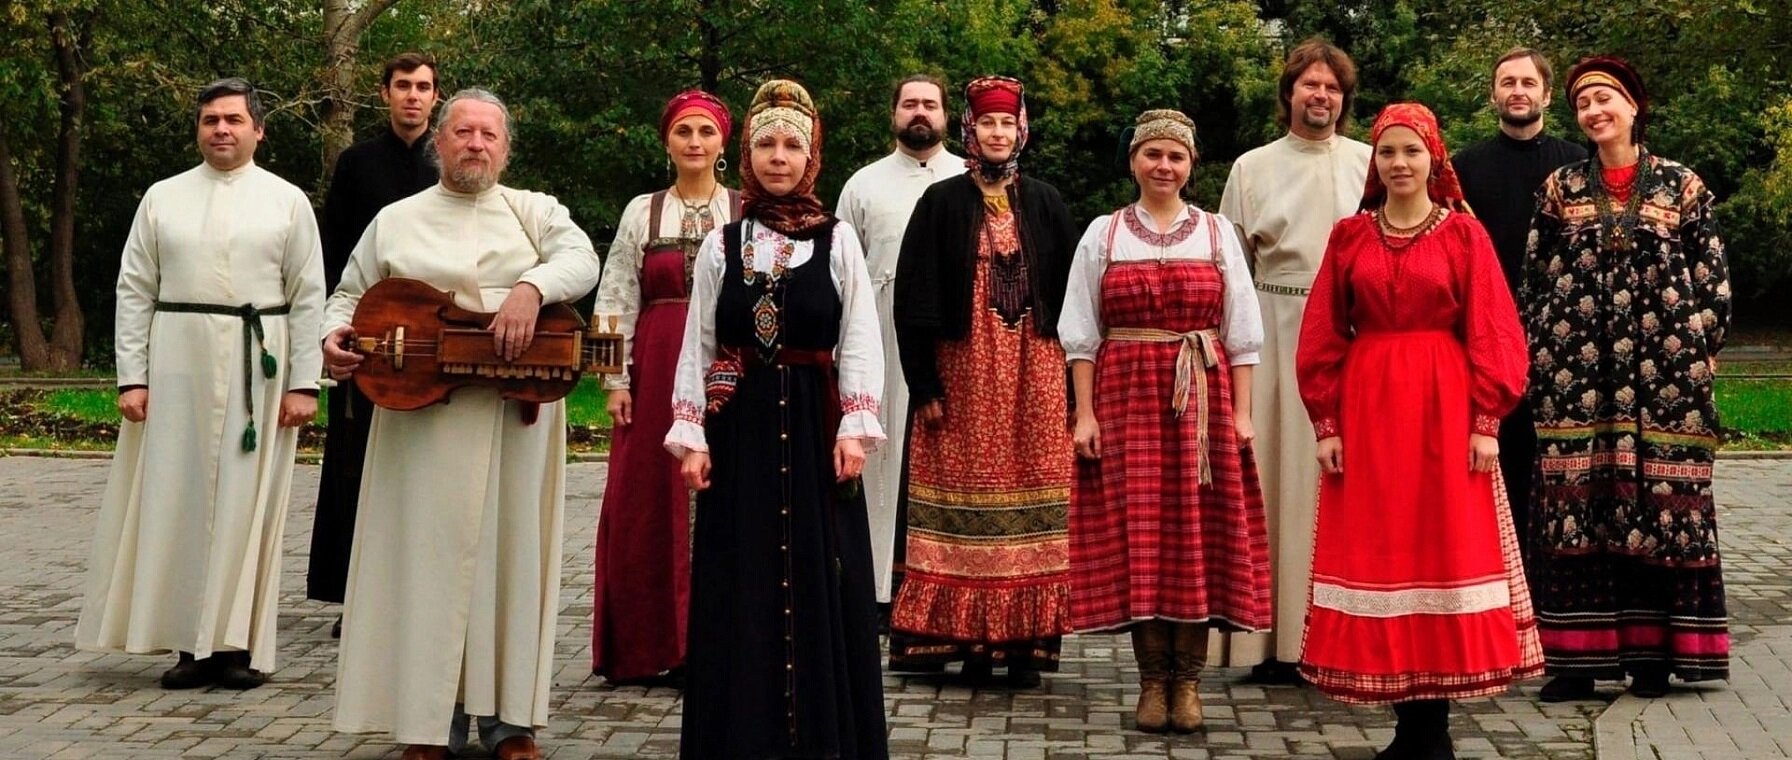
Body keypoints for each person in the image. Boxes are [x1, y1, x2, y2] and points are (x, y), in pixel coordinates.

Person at [320, 89, 602, 760]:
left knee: (511, 564)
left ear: (505, 149)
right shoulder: (395, 219)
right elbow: (348, 296)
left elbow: (582, 259)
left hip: (513, 419)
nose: (476, 144)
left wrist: (532, 289)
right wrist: (333, 336)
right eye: (463, 132)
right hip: (421, 421)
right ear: (438, 143)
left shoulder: (535, 211)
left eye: (489, 135)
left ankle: (509, 722)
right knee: (425, 567)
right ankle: (430, 723)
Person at [1296, 102, 1542, 760]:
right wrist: (1326, 422)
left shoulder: (1464, 235)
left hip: (1445, 408)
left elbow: (1494, 329)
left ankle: (1432, 732)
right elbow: (1322, 332)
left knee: (1442, 551)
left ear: (1435, 158)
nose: (1399, 163)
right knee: (1384, 553)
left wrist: (1487, 421)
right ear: (1374, 162)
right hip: (1369, 410)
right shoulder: (1350, 237)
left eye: (1411, 151)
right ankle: (1408, 728)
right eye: (1387, 152)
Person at [75, 77, 325, 690]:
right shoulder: (163, 198)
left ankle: (235, 645)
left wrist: (304, 383)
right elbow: (134, 289)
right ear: (198, 129)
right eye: (211, 120)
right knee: (177, 499)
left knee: (246, 503)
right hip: (178, 365)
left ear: (258, 129)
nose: (221, 129)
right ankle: (190, 643)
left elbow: (308, 295)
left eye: (234, 119)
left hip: (257, 368)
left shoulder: (288, 201)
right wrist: (132, 378)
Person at [666, 78, 889, 760]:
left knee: (827, 577)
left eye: (793, 146)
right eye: (767, 145)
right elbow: (699, 342)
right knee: (742, 580)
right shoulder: (722, 244)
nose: (779, 158)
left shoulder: (838, 240)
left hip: (819, 429)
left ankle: (823, 739)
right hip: (742, 433)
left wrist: (855, 427)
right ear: (748, 156)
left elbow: (859, 336)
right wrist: (692, 436)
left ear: (811, 155)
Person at [1523, 56, 1731, 703]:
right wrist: (1541, 354)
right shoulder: (1560, 188)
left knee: (1660, 505)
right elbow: (1534, 281)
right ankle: (1576, 663)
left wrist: (1698, 352)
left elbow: (1713, 282)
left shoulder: (1681, 186)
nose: (1594, 111)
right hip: (1575, 383)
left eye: (1605, 98)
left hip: (1664, 385)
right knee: (1576, 508)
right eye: (1583, 103)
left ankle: (1653, 660)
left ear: (1634, 106)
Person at [1060, 109, 1272, 733]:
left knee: (1196, 539)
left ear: (1191, 165)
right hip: (1125, 398)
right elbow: (1081, 333)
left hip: (1203, 400)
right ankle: (1152, 681)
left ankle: (1189, 683)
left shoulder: (1215, 233)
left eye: (1176, 156)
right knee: (1142, 539)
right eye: (1152, 154)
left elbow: (1243, 333)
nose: (1164, 166)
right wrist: (1085, 414)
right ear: (1133, 161)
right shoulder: (1103, 234)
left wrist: (1243, 415)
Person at [889, 75, 1078, 688]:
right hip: (962, 373)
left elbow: (1075, 299)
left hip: (1036, 376)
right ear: (971, 129)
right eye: (988, 123)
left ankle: (1023, 645)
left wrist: (1076, 390)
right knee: (958, 500)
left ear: (1021, 130)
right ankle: (965, 639)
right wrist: (924, 386)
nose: (998, 133)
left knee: (1037, 499)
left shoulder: (1046, 202)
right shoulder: (940, 203)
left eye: (1007, 123)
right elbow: (912, 299)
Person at [1216, 37, 1372, 684]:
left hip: (1355, 337)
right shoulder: (1251, 168)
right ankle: (1272, 642)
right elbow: (1230, 270)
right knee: (1275, 483)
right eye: (1310, 84)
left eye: (1332, 87)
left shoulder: (1371, 162)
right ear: (1289, 93)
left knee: (1344, 487)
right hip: (1275, 331)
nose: (1321, 96)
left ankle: (1342, 634)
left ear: (1344, 98)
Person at [589, 88, 739, 687]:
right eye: (684, 132)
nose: (695, 142)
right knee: (646, 502)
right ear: (667, 142)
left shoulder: (744, 208)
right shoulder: (643, 212)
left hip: (728, 366)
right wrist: (613, 380)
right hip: (654, 366)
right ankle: (648, 644)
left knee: (726, 497)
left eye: (705, 131)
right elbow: (613, 299)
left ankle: (717, 644)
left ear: (723, 142)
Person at [309, 52, 443, 636]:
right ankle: (359, 597)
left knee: (428, 467)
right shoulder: (357, 164)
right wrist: (334, 327)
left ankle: (424, 593)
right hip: (369, 333)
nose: (413, 96)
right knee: (359, 467)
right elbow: (336, 253)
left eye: (423, 87)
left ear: (436, 97)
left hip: (436, 337)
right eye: (403, 85)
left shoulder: (451, 162)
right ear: (385, 93)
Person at [835, 73, 967, 616]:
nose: (920, 112)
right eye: (909, 103)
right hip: (881, 330)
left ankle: (948, 585)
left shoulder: (968, 179)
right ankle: (876, 589)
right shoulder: (862, 185)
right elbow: (841, 269)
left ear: (946, 116)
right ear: (893, 114)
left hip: (954, 337)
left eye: (930, 104)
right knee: (882, 453)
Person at [1451, 47, 1585, 546]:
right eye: (1508, 83)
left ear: (1546, 95)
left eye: (1528, 83)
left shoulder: (1578, 164)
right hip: (1486, 335)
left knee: (1555, 467)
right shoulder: (1465, 169)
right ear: (1493, 95)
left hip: (1563, 337)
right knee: (1493, 461)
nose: (1518, 91)